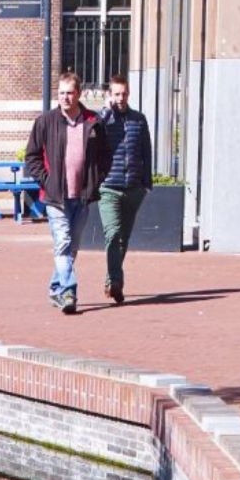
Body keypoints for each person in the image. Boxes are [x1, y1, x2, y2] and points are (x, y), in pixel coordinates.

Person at [23, 69, 110, 314]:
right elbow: (32, 156)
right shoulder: (45, 122)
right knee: (62, 244)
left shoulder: (93, 122)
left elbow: (106, 156)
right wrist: (46, 180)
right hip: (56, 197)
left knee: (72, 248)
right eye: (61, 93)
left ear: (78, 94)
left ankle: (55, 289)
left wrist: (96, 180)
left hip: (82, 196)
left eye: (70, 93)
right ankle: (69, 291)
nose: (65, 98)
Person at [97, 72, 154, 305]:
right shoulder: (104, 119)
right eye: (116, 94)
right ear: (110, 95)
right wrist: (106, 111)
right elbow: (93, 132)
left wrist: (146, 183)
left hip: (133, 188)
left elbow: (146, 151)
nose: (121, 98)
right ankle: (116, 282)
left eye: (124, 94)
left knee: (124, 239)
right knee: (112, 234)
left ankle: (111, 280)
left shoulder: (138, 120)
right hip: (109, 187)